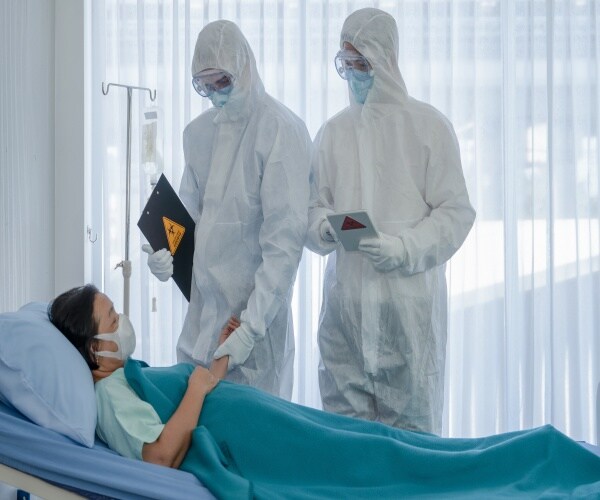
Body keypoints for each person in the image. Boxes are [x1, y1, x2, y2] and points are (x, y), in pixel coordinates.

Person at [48, 284, 600, 499]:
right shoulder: (109, 395)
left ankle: (531, 455)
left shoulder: (119, 375)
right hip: (256, 443)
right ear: (93, 349)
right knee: (382, 458)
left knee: (383, 446)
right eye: (113, 318)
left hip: (258, 421)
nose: (122, 322)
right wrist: (196, 387)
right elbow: (161, 455)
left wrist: (217, 360)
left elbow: (187, 400)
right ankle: (536, 459)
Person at [305, 8, 476, 434]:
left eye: (363, 64)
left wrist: (404, 248)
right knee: (347, 448)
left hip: (408, 321)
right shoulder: (332, 133)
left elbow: (456, 212)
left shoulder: (428, 127)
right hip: (345, 318)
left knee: (411, 449)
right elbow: (311, 209)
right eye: (347, 65)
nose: (355, 75)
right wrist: (325, 227)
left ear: (387, 60)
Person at [142, 20, 311, 400]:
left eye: (222, 81)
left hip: (253, 329)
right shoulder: (198, 134)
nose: (216, 93)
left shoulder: (279, 129)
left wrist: (250, 327)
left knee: (254, 444)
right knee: (193, 432)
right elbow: (184, 215)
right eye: (205, 85)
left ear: (244, 69)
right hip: (201, 321)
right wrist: (164, 253)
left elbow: (284, 242)